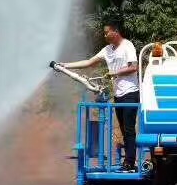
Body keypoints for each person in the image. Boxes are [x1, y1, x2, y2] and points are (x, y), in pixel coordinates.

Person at [60, 23, 140, 170]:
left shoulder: (127, 45)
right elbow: (89, 62)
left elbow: (134, 67)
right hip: (118, 94)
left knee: (129, 129)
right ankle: (128, 161)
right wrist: (65, 65)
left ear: (115, 32)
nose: (104, 36)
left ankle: (130, 162)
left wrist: (115, 73)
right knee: (123, 129)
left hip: (130, 92)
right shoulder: (107, 50)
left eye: (106, 33)